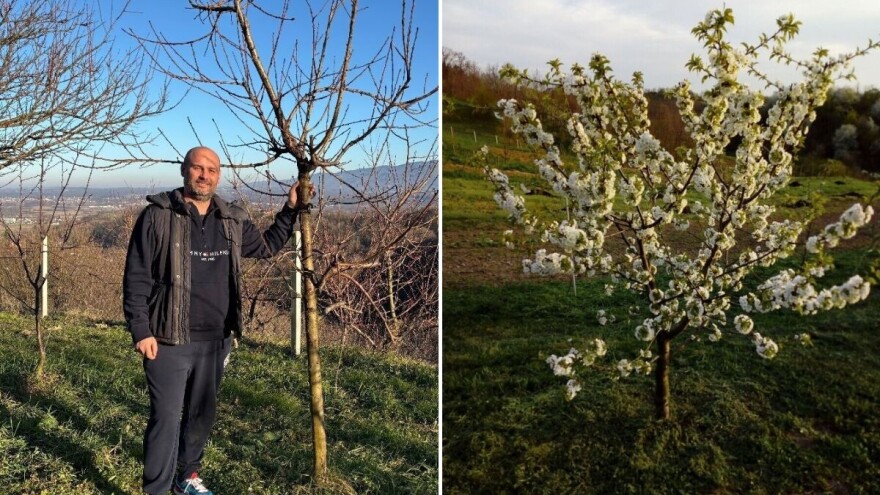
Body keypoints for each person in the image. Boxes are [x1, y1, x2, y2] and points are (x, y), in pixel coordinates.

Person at [123, 146, 308, 495]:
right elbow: (136, 275)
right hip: (167, 340)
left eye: (211, 169)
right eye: (198, 168)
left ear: (218, 175)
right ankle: (156, 490)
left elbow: (266, 246)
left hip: (217, 338)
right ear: (184, 170)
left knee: (200, 415)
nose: (204, 175)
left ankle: (186, 478)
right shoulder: (157, 215)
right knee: (166, 419)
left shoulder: (231, 218)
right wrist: (141, 329)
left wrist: (291, 209)